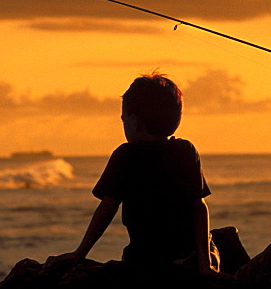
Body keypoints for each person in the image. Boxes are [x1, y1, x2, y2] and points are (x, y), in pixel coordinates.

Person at [47, 73, 217, 274]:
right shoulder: (185, 150)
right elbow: (199, 206)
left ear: (134, 121)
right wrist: (205, 265)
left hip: (143, 259)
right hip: (186, 258)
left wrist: (80, 253)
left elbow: (107, 207)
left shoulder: (125, 155)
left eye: (123, 119)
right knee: (215, 241)